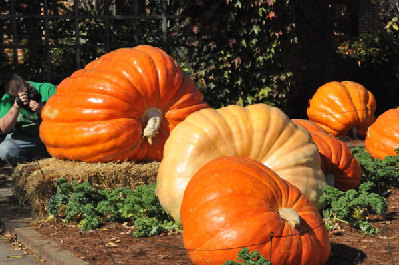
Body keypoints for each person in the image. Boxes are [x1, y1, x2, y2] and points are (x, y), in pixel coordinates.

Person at [0, 74, 57, 166]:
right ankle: (26, 168)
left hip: (51, 138)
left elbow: (64, 115)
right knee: (5, 149)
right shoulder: (7, 99)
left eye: (19, 88)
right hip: (26, 140)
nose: (19, 93)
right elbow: (4, 128)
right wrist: (15, 107)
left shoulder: (47, 89)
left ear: (27, 83)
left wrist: (42, 110)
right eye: (15, 93)